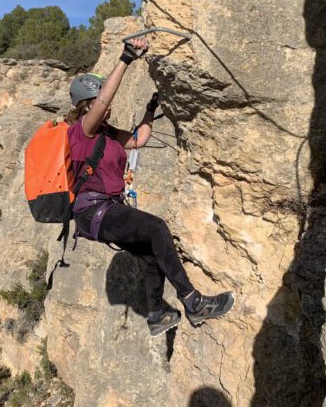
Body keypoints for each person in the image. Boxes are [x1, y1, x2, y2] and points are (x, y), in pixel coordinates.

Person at [66, 37, 234, 337]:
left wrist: (150, 109)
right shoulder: (82, 132)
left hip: (107, 210)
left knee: (152, 252)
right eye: (99, 103)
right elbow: (104, 100)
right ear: (86, 106)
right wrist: (126, 58)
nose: (107, 107)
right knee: (157, 228)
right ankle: (192, 301)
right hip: (95, 211)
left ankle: (156, 314)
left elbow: (138, 140)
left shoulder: (106, 132)